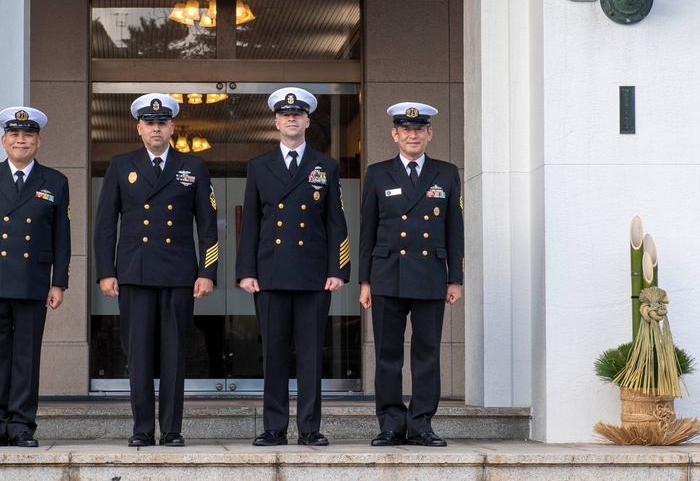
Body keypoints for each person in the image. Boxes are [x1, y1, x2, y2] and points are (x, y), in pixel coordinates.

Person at [93, 93, 219, 448]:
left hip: (179, 274)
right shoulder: (121, 165)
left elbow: (208, 226)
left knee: (175, 354)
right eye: (150, 123)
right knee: (139, 354)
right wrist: (106, 270)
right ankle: (142, 429)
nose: (156, 128)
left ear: (172, 127)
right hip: (134, 272)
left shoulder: (192, 167)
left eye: (162, 123)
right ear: (139, 128)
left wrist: (207, 271)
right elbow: (105, 225)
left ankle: (173, 430)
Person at [236, 87, 350, 447]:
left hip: (314, 275)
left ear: (307, 121)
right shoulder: (258, 166)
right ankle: (274, 427)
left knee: (311, 355)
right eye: (286, 115)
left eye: (297, 114)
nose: (291, 119)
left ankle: (310, 428)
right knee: (273, 354)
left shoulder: (326, 166)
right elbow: (250, 223)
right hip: (269, 273)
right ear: (276, 121)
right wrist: (245, 270)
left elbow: (336, 223)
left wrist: (339, 269)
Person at [0, 106, 71, 448]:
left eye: (29, 135)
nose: (22, 141)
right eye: (15, 135)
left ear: (38, 142)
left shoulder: (54, 180)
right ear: (4, 141)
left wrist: (58, 282)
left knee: (26, 354)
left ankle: (21, 424)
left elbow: (61, 237)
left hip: (33, 280)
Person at [358, 102, 464, 448]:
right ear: (395, 134)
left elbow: (454, 229)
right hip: (387, 274)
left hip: (430, 275)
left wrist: (455, 278)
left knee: (427, 354)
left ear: (429, 134)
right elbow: (367, 230)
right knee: (387, 354)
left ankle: (420, 424)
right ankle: (390, 423)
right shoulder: (377, 173)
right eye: (406, 129)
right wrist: (364, 281)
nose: (413, 135)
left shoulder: (446, 173)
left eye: (419, 130)